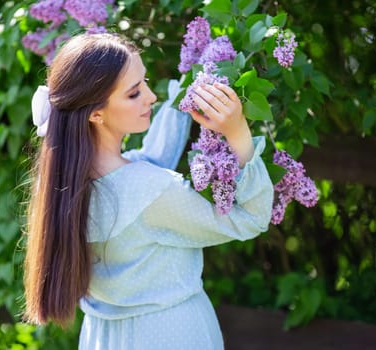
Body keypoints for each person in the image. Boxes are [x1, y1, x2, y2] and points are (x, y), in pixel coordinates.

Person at [24, 33, 273, 349]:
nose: (151, 96)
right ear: (95, 114)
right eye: (134, 93)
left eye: (145, 83)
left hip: (103, 337)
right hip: (171, 333)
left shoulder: (66, 183)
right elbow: (251, 218)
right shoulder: (150, 191)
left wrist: (188, 86)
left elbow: (153, 157)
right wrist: (238, 133)